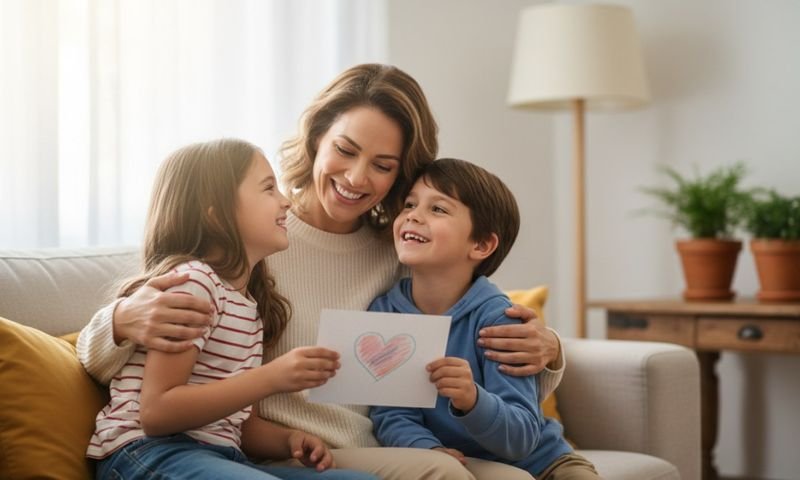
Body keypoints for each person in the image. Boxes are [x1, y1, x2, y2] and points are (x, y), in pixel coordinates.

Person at [78, 64, 565, 480]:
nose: (356, 178)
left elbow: (469, 317)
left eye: (383, 165)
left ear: (401, 174)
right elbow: (119, 367)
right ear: (316, 139)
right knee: (441, 473)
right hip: (278, 451)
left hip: (380, 442)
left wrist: (552, 349)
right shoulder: (249, 239)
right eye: (346, 150)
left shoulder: (399, 246)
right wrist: (120, 319)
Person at [86, 139, 377, 480]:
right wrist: (270, 378)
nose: (285, 201)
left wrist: (290, 440)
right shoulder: (192, 285)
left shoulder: (249, 307)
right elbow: (157, 412)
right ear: (216, 212)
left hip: (222, 456)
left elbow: (241, 426)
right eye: (269, 188)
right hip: (149, 452)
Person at [369, 158, 600, 480]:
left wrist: (472, 400)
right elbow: (392, 414)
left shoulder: (500, 321)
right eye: (410, 203)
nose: (413, 215)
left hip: (544, 465)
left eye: (438, 209)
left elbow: (521, 439)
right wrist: (427, 450)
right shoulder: (384, 315)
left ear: (481, 245)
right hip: (459, 466)